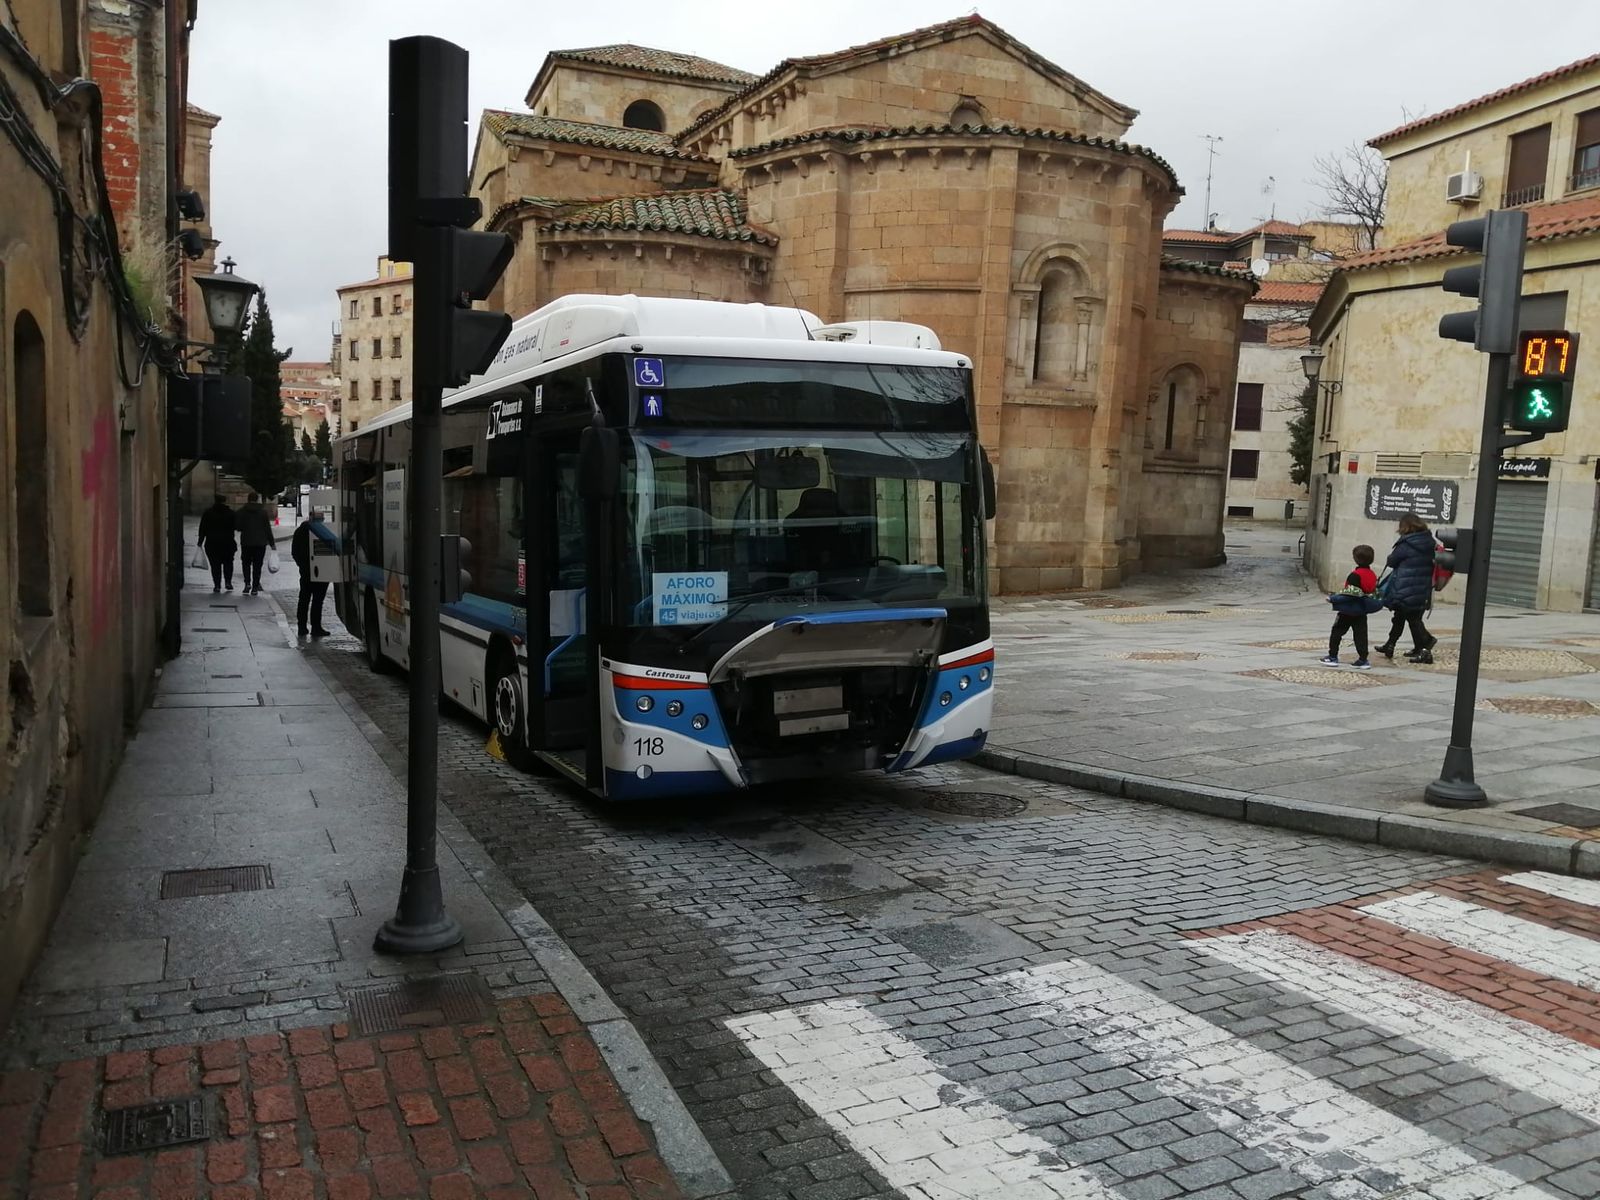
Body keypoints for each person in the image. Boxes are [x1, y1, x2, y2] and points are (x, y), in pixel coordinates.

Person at [1376, 512, 1438, 664]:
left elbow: (1392, 561)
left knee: (1412, 619)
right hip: (1422, 586)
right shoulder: (1429, 541)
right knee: (1403, 616)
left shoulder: (1406, 544)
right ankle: (1392, 645)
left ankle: (1426, 644)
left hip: (1406, 586)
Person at [1321, 544, 1377, 669]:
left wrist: (1332, 599)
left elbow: (1351, 594)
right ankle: (1363, 659)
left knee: (1337, 632)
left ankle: (1332, 656)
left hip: (1348, 610)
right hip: (1362, 610)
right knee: (1361, 635)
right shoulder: (1372, 574)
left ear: (1355, 559)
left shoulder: (1355, 575)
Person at [291, 508, 332, 637]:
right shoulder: (323, 532)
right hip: (319, 570)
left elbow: (295, 552)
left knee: (304, 599)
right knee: (316, 601)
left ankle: (302, 626)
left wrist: (301, 565)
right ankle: (315, 627)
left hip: (307, 571)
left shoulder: (300, 531)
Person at [236, 493, 276, 595]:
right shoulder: (263, 512)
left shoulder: (242, 511)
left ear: (248, 499)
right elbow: (267, 528)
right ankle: (255, 587)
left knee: (246, 563)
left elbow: (238, 527)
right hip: (260, 543)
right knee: (257, 566)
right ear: (257, 499)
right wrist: (272, 543)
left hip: (246, 542)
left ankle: (247, 583)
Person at [196, 496, 237, 593]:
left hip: (212, 543)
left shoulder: (208, 513)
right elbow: (236, 526)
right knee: (228, 563)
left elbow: (203, 528)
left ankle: (217, 585)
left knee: (215, 565)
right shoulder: (231, 513)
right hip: (227, 543)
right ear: (225, 501)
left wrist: (200, 542)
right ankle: (228, 582)